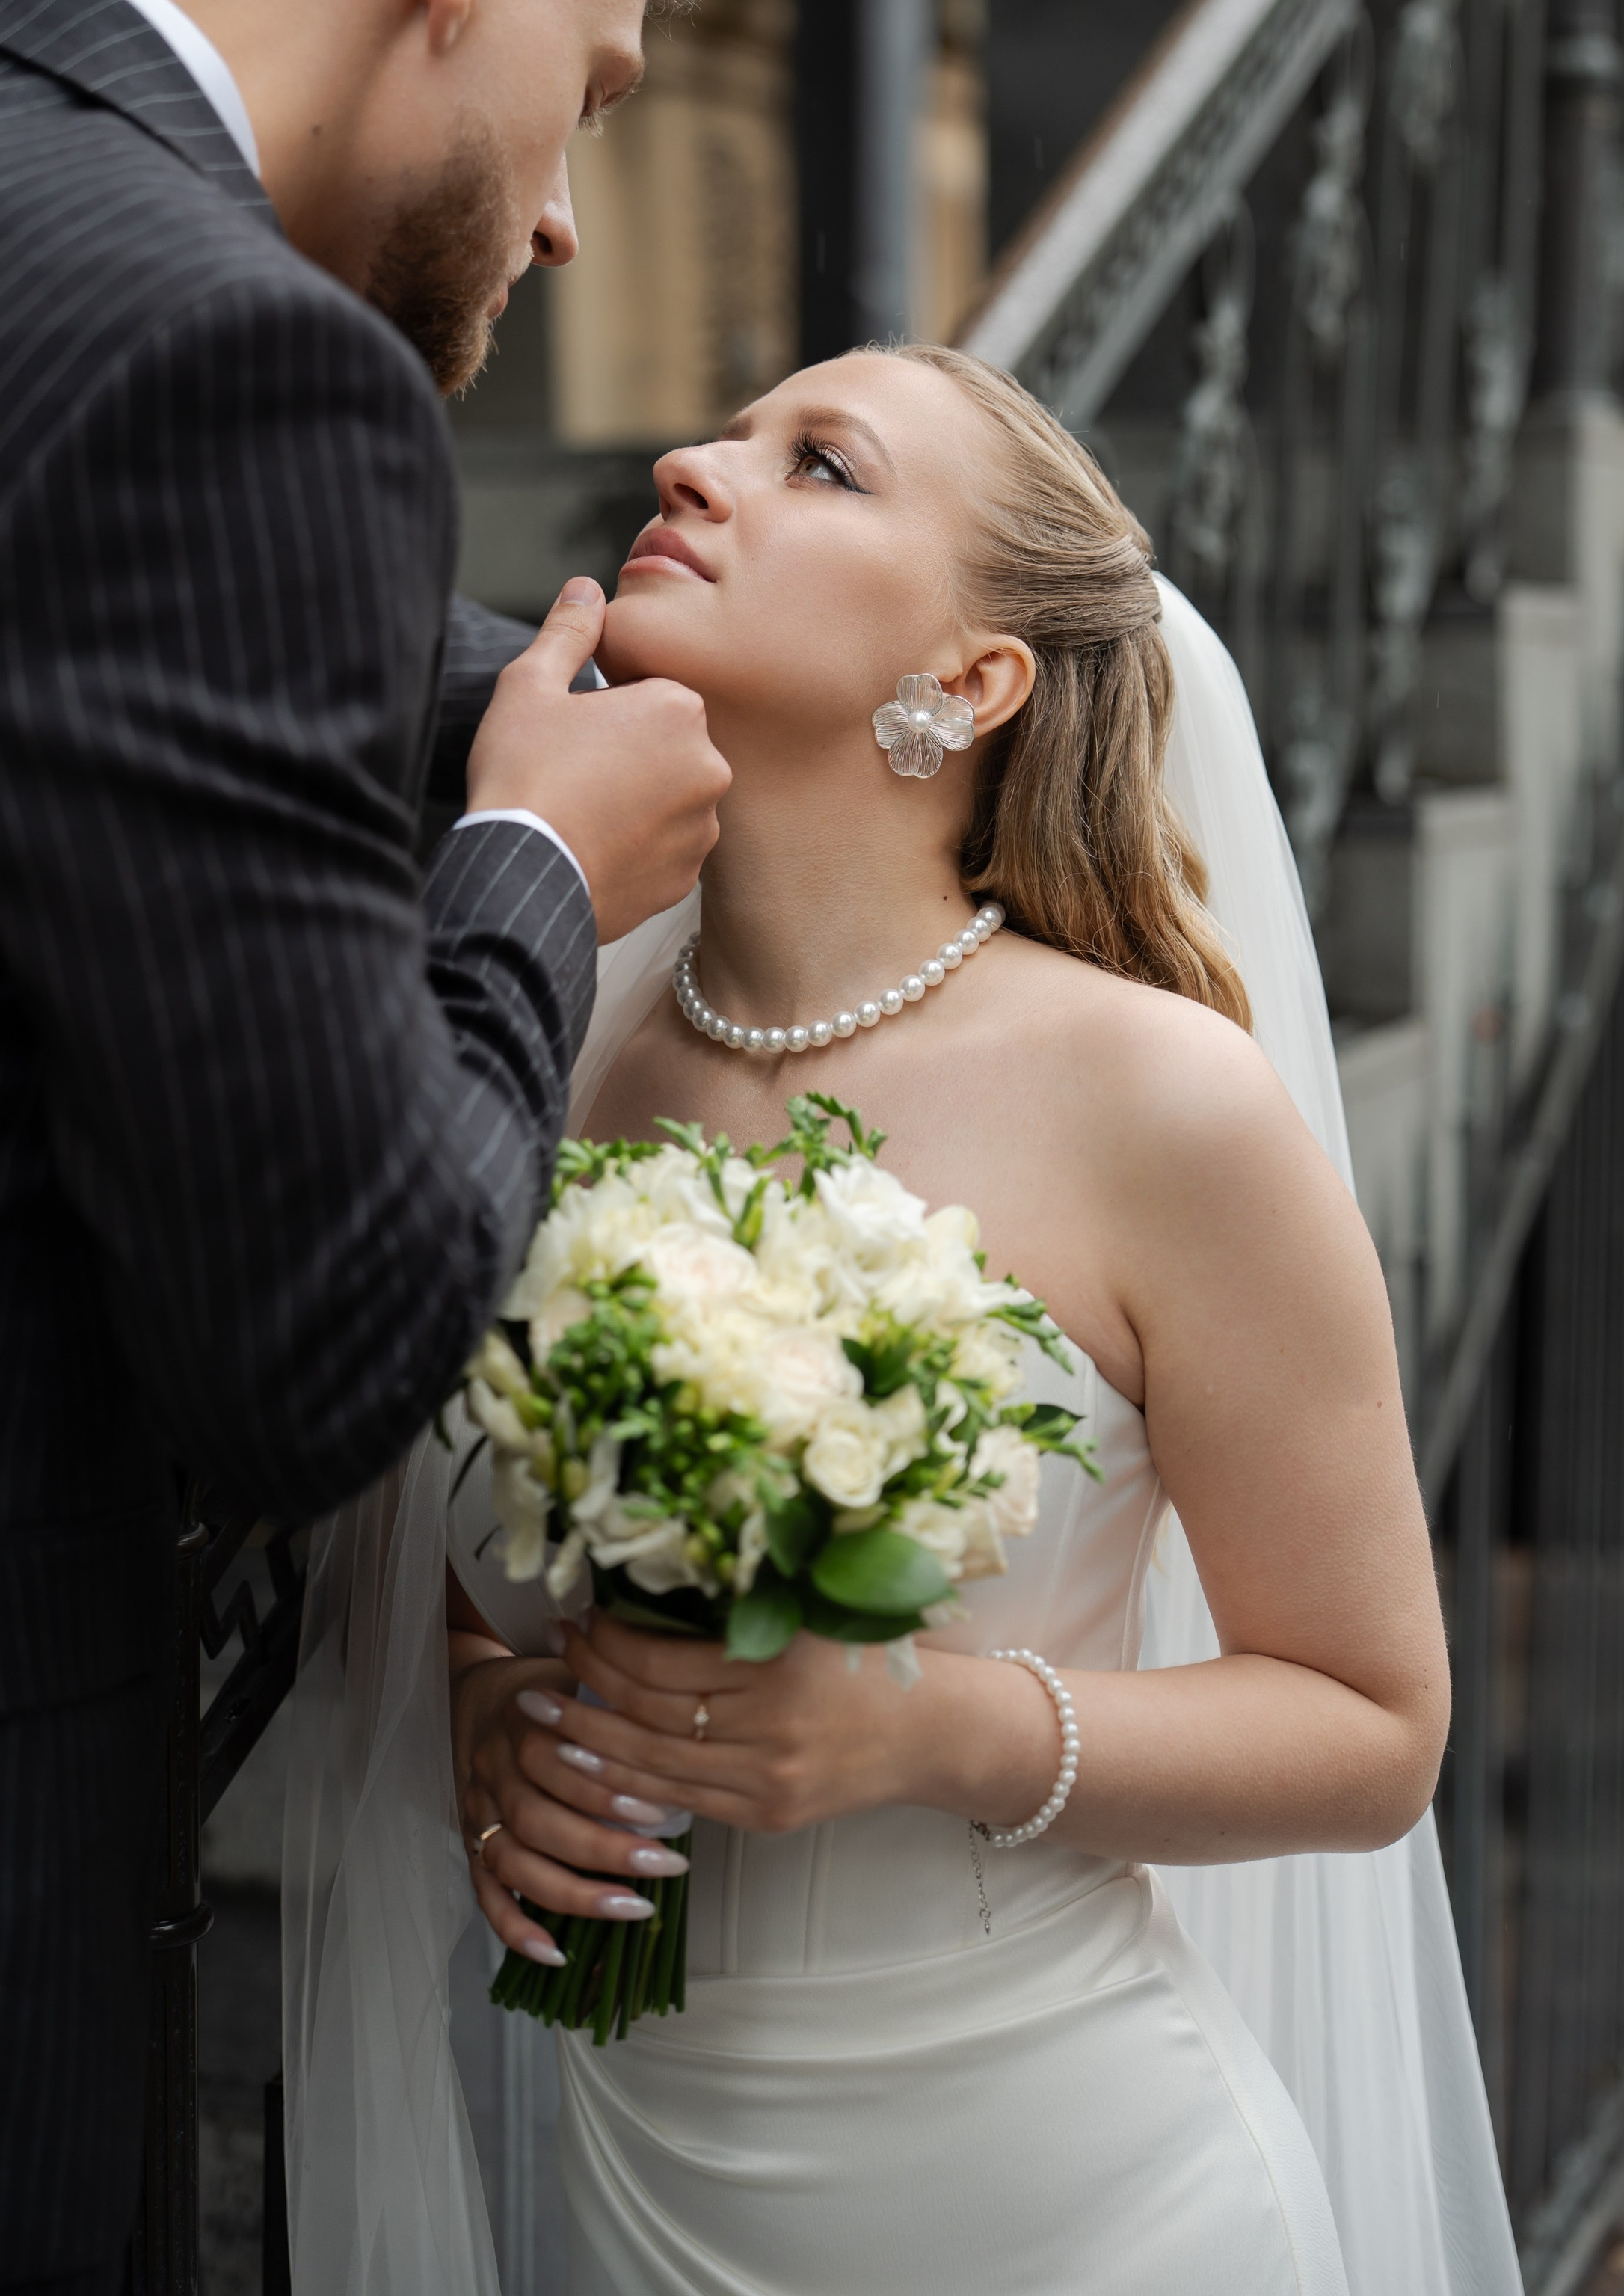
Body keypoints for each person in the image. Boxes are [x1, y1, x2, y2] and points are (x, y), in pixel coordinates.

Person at [0, 0, 740, 2296]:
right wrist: (536, 877)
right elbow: (323, 1331)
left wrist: (498, 692)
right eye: (589, 92)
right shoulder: (239, 363)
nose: (569, 222)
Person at [291, 343, 1522, 2294]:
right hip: (641, 2187)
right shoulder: (544, 1038)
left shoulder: (1163, 1103)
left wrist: (921, 1725)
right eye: (725, 430)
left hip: (1080, 2202)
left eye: (822, 464)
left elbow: (1375, 1725)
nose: (696, 459)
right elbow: (450, 1534)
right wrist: (493, 1711)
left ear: (968, 684)